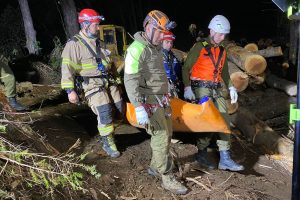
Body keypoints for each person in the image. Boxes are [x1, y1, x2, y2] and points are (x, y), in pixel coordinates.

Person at [124, 10, 188, 195]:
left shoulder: (156, 47)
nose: (163, 36)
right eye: (160, 31)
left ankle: (154, 167)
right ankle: (167, 177)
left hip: (162, 100)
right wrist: (138, 106)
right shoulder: (137, 49)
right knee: (160, 137)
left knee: (166, 135)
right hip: (149, 102)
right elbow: (130, 80)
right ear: (149, 27)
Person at [182, 15, 244, 171]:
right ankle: (201, 152)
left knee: (224, 120)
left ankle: (225, 158)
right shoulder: (199, 47)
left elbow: (224, 72)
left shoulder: (222, 50)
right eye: (220, 34)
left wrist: (230, 87)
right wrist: (187, 87)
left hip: (216, 88)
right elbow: (185, 68)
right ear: (211, 30)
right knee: (208, 120)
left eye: (225, 35)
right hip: (201, 87)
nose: (222, 37)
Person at [60, 8, 123, 158]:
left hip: (108, 81)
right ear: (86, 25)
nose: (99, 27)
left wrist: (117, 80)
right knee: (105, 112)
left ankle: (109, 133)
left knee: (120, 109)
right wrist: (70, 91)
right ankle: (108, 142)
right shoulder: (74, 44)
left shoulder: (99, 43)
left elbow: (110, 63)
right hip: (91, 85)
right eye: (96, 24)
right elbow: (67, 67)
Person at [161, 31, 183, 98]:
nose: (170, 45)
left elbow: (179, 74)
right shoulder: (155, 55)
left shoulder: (174, 56)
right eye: (167, 42)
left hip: (174, 88)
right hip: (162, 89)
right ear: (161, 42)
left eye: (171, 42)